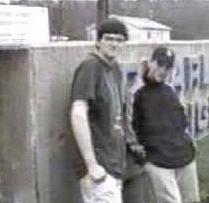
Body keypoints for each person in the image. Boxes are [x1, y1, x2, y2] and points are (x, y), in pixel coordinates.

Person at [70, 18, 145, 203]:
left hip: (114, 166)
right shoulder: (90, 66)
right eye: (109, 38)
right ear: (98, 41)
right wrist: (92, 165)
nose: (114, 44)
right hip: (99, 169)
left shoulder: (115, 69)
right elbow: (78, 113)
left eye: (119, 40)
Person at [132, 47, 201, 203]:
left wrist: (189, 142)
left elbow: (182, 123)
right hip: (158, 161)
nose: (163, 70)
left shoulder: (169, 91)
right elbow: (131, 128)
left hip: (184, 156)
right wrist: (143, 157)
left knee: (192, 199)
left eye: (167, 67)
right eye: (160, 64)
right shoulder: (138, 94)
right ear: (151, 62)